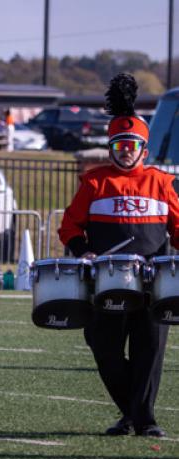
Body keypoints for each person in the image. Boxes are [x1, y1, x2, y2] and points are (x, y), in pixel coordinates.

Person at [58, 73, 179, 437]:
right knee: (104, 347)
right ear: (112, 146)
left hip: (152, 283)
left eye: (132, 145)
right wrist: (84, 251)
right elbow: (69, 227)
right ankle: (133, 412)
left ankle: (143, 420)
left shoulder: (162, 182)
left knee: (149, 350)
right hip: (105, 280)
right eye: (120, 144)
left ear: (143, 148)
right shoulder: (94, 182)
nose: (126, 150)